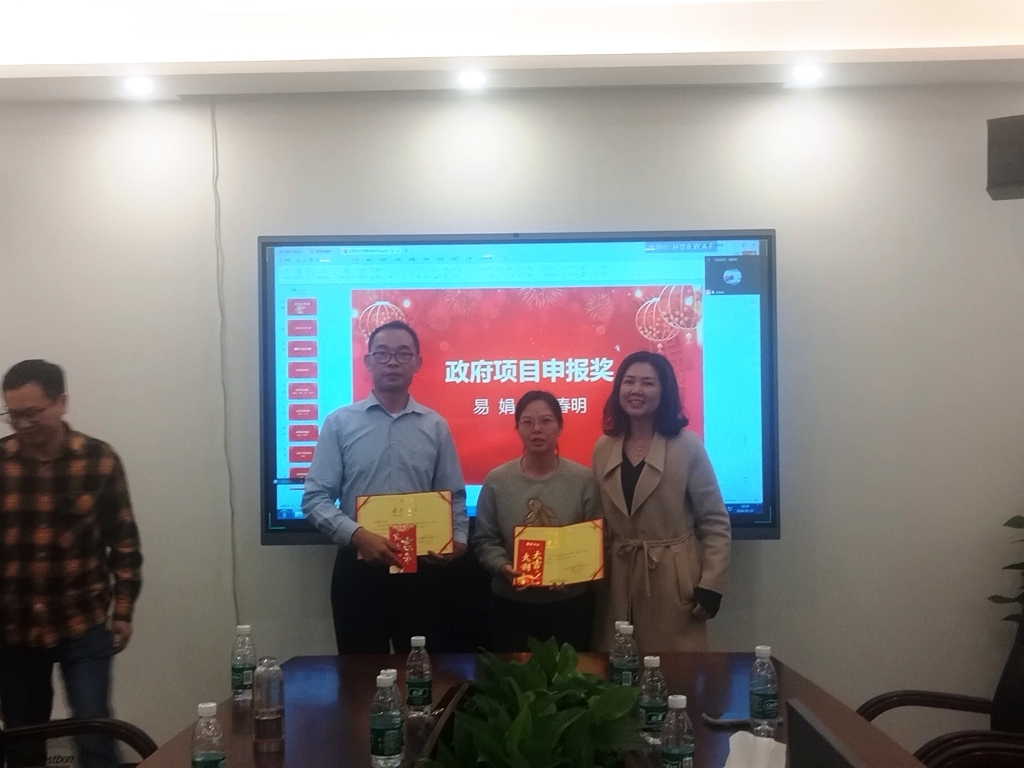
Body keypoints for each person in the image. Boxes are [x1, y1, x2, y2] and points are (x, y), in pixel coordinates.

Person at [0, 360, 142, 768]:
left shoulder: (99, 460)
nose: (23, 424)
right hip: (13, 628)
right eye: (13, 415)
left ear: (61, 402)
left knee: (95, 733)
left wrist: (123, 612)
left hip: (82, 621)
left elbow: (124, 542)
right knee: (22, 742)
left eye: (33, 412)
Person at [302, 320, 469, 654]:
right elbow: (314, 499)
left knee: (422, 672)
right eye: (383, 353)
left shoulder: (435, 426)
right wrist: (358, 534)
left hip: (421, 569)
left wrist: (460, 540)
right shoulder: (339, 423)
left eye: (403, 354)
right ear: (368, 361)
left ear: (417, 363)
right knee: (358, 674)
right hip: (359, 569)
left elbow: (454, 497)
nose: (393, 362)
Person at [592, 351, 730, 652]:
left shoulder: (688, 446)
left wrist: (711, 584)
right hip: (618, 581)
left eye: (647, 383)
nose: (636, 390)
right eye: (628, 382)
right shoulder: (603, 447)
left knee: (674, 671)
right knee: (618, 667)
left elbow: (715, 523)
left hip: (672, 580)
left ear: (664, 390)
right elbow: (597, 524)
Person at [474, 391, 601, 652]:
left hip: (569, 604)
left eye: (546, 421)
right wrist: (502, 566)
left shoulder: (584, 480)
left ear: (560, 426)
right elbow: (485, 539)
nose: (537, 429)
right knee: (513, 675)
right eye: (527, 422)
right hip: (511, 603)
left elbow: (596, 538)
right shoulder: (497, 480)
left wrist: (574, 571)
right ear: (517, 427)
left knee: (567, 674)